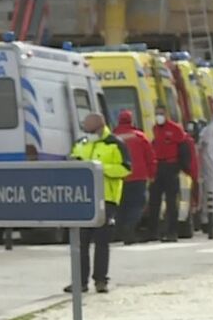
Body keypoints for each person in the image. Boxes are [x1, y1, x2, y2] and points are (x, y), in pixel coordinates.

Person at [66, 113, 131, 294]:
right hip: (83, 198)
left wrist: (99, 168)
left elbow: (125, 168)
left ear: (100, 127)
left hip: (106, 199)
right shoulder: (81, 143)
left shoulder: (115, 143)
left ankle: (101, 280)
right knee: (80, 242)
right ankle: (79, 281)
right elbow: (71, 161)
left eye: (90, 129)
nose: (87, 132)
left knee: (102, 242)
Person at [113, 109, 157, 245]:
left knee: (121, 205)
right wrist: (152, 174)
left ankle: (121, 230)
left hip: (119, 176)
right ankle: (129, 227)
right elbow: (150, 157)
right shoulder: (139, 136)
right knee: (137, 204)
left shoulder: (113, 137)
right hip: (138, 176)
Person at [147, 104, 186, 243]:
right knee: (154, 201)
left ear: (166, 114)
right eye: (157, 113)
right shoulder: (155, 129)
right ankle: (154, 231)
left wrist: (180, 166)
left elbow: (183, 148)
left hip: (170, 166)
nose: (159, 116)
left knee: (171, 202)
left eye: (161, 113)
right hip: (158, 167)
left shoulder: (175, 129)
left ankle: (172, 232)